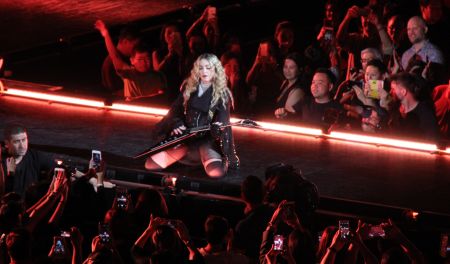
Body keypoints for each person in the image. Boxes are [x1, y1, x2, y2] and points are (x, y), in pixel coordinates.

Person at [144, 53, 239, 178]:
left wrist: (216, 129)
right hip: (186, 140)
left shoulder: (222, 94)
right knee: (150, 165)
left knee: (215, 173)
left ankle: (218, 161)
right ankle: (186, 157)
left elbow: (223, 121)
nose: (204, 71)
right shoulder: (188, 87)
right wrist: (177, 123)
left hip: (206, 142)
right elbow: (174, 110)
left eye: (208, 68)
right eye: (201, 67)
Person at [95, 20, 167, 101]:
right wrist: (106, 35)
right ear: (132, 61)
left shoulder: (157, 76)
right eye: (140, 59)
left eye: (147, 59)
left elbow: (162, 93)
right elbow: (115, 57)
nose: (144, 62)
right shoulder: (129, 74)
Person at [1, 125, 55, 196]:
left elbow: (56, 169)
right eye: (16, 142)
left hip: (33, 204)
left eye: (24, 140)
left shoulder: (35, 156)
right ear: (7, 144)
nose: (22, 146)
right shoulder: (2, 162)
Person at [101, 25, 140, 95]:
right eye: (135, 45)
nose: (137, 49)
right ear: (125, 42)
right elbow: (115, 92)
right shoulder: (112, 63)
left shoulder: (124, 59)